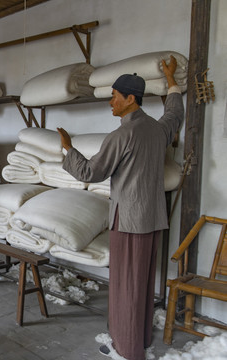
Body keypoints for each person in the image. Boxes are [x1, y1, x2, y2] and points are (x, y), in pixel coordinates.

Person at [57, 55, 184, 360]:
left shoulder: (121, 135)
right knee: (140, 284)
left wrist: (67, 147)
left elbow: (90, 173)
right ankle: (139, 339)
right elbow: (175, 112)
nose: (111, 102)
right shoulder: (158, 130)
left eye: (114, 97)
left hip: (128, 222)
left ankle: (127, 350)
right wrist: (170, 77)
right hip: (153, 219)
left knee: (126, 286)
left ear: (130, 99)